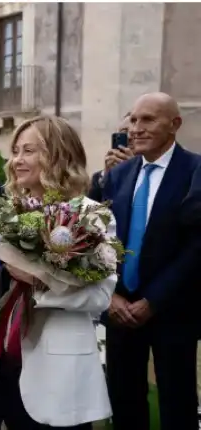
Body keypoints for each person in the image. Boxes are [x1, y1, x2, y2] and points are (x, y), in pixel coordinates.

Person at [0, 115, 115, 429]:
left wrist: (41, 283)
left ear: (58, 155)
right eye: (16, 151)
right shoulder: (8, 213)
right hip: (3, 362)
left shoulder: (91, 215)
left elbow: (101, 297)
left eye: (29, 151)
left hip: (57, 371)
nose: (17, 160)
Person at [102, 92, 201, 430]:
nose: (136, 129)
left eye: (148, 120)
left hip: (173, 310)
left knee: (177, 400)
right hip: (119, 309)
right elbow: (99, 239)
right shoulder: (116, 176)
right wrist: (111, 295)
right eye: (133, 120)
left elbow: (196, 247)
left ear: (175, 125)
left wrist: (153, 301)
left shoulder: (196, 170)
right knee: (124, 396)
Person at [88, 113, 134, 201]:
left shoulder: (148, 174)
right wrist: (107, 176)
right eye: (124, 132)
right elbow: (90, 209)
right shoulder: (98, 177)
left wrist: (133, 168)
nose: (129, 137)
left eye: (133, 133)